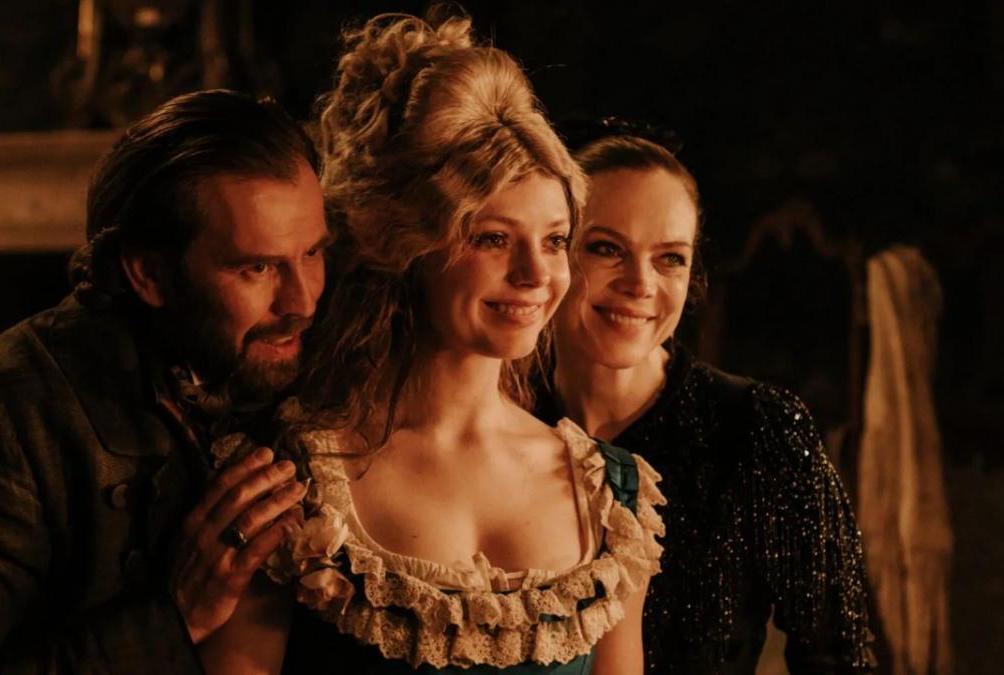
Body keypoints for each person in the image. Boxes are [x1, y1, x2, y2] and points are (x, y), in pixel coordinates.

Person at [199, 14, 665, 675]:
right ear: (409, 247)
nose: (535, 274)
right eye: (493, 239)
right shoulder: (289, 480)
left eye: (556, 240)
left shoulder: (611, 498)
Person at [0, 90, 329, 673]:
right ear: (149, 274)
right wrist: (174, 615)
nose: (302, 301)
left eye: (312, 253)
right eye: (256, 267)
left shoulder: (310, 371)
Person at [544, 132, 876, 673]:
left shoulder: (758, 428)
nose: (640, 283)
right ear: (553, 252)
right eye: (606, 248)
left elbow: (838, 656)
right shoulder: (499, 417)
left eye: (670, 258)